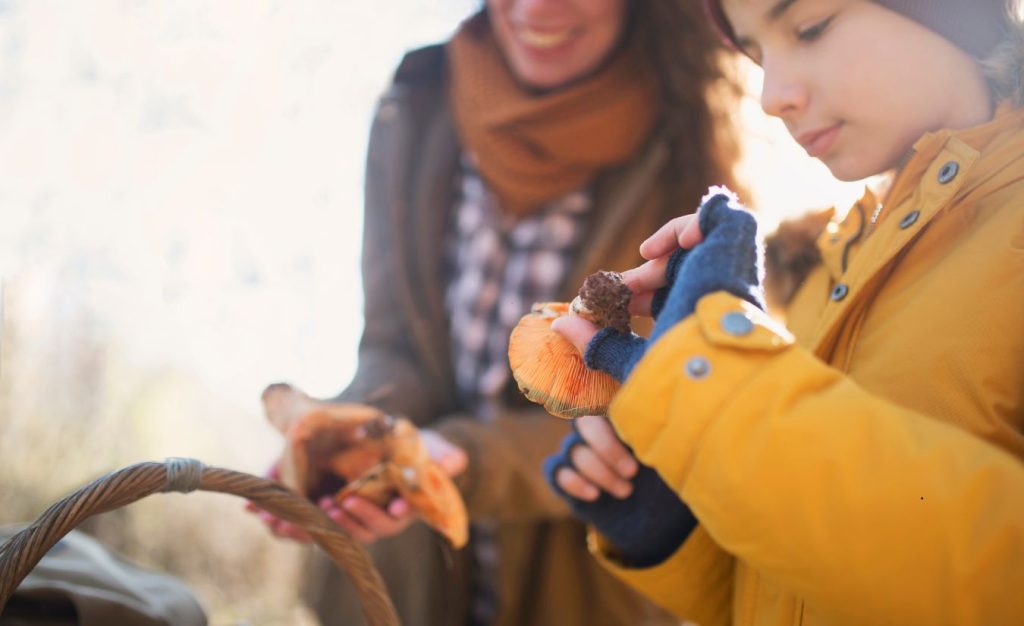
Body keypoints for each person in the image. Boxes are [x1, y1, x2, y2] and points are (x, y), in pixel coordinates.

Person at [255, 1, 746, 624]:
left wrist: (467, 459)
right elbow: (395, 342)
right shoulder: (419, 103)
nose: (537, 7)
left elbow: (658, 405)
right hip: (408, 583)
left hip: (583, 586)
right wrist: (362, 437)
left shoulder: (689, 151)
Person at [546, 0, 1024, 624]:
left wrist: (720, 395)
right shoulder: (821, 273)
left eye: (810, 27)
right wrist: (687, 524)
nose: (772, 95)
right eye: (756, 53)